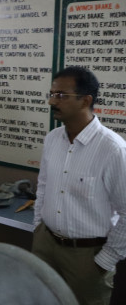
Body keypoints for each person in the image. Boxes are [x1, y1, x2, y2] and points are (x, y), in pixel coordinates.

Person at [33, 66, 126, 305]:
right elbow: (43, 186)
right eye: (52, 94)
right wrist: (38, 227)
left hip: (87, 256)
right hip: (46, 245)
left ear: (86, 100)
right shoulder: (53, 139)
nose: (52, 101)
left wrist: (105, 261)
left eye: (61, 95)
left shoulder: (113, 149)